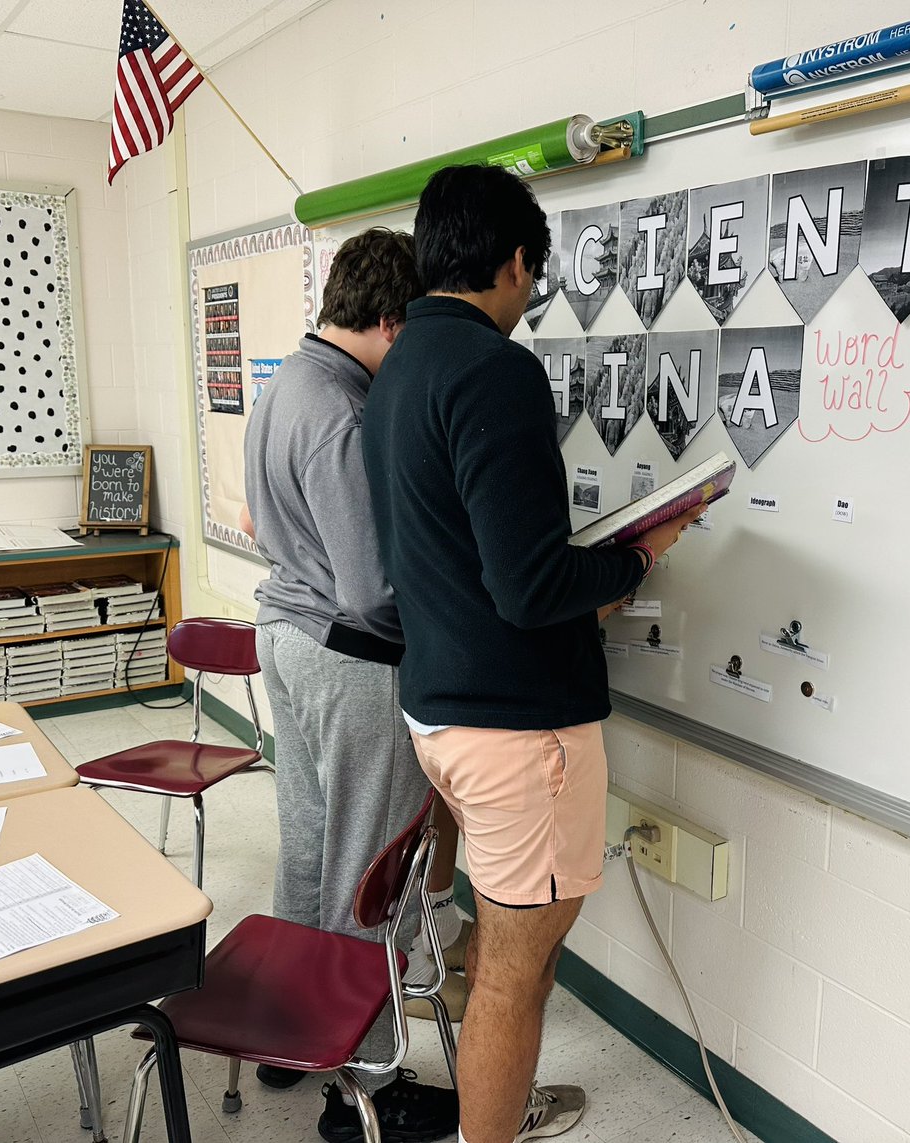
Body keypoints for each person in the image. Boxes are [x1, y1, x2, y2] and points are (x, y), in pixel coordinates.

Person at [360, 165, 701, 1143]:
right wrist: (638, 556)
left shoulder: (397, 369)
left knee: (514, 951)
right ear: (515, 263)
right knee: (514, 971)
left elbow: (461, 554)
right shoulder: (494, 369)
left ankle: (497, 1108)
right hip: (515, 731)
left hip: (443, 707)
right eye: (533, 275)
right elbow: (529, 586)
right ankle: (490, 1125)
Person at [243, 227, 463, 1143]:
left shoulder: (286, 382)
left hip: (287, 636)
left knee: (309, 846)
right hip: (348, 656)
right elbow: (373, 590)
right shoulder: (341, 409)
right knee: (371, 871)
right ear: (391, 321)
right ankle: (366, 1081)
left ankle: (290, 1034)